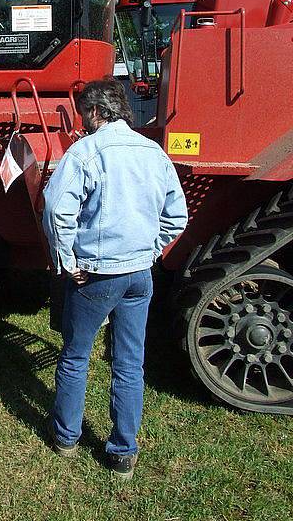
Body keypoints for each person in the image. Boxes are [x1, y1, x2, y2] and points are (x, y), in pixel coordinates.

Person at [42, 77, 188, 480]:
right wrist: (150, 249)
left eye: (83, 114)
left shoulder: (86, 151)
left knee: (75, 357)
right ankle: (124, 450)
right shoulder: (153, 152)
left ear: (93, 112)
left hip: (96, 273)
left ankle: (67, 437)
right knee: (129, 362)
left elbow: (57, 210)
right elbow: (177, 216)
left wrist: (66, 259)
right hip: (139, 274)